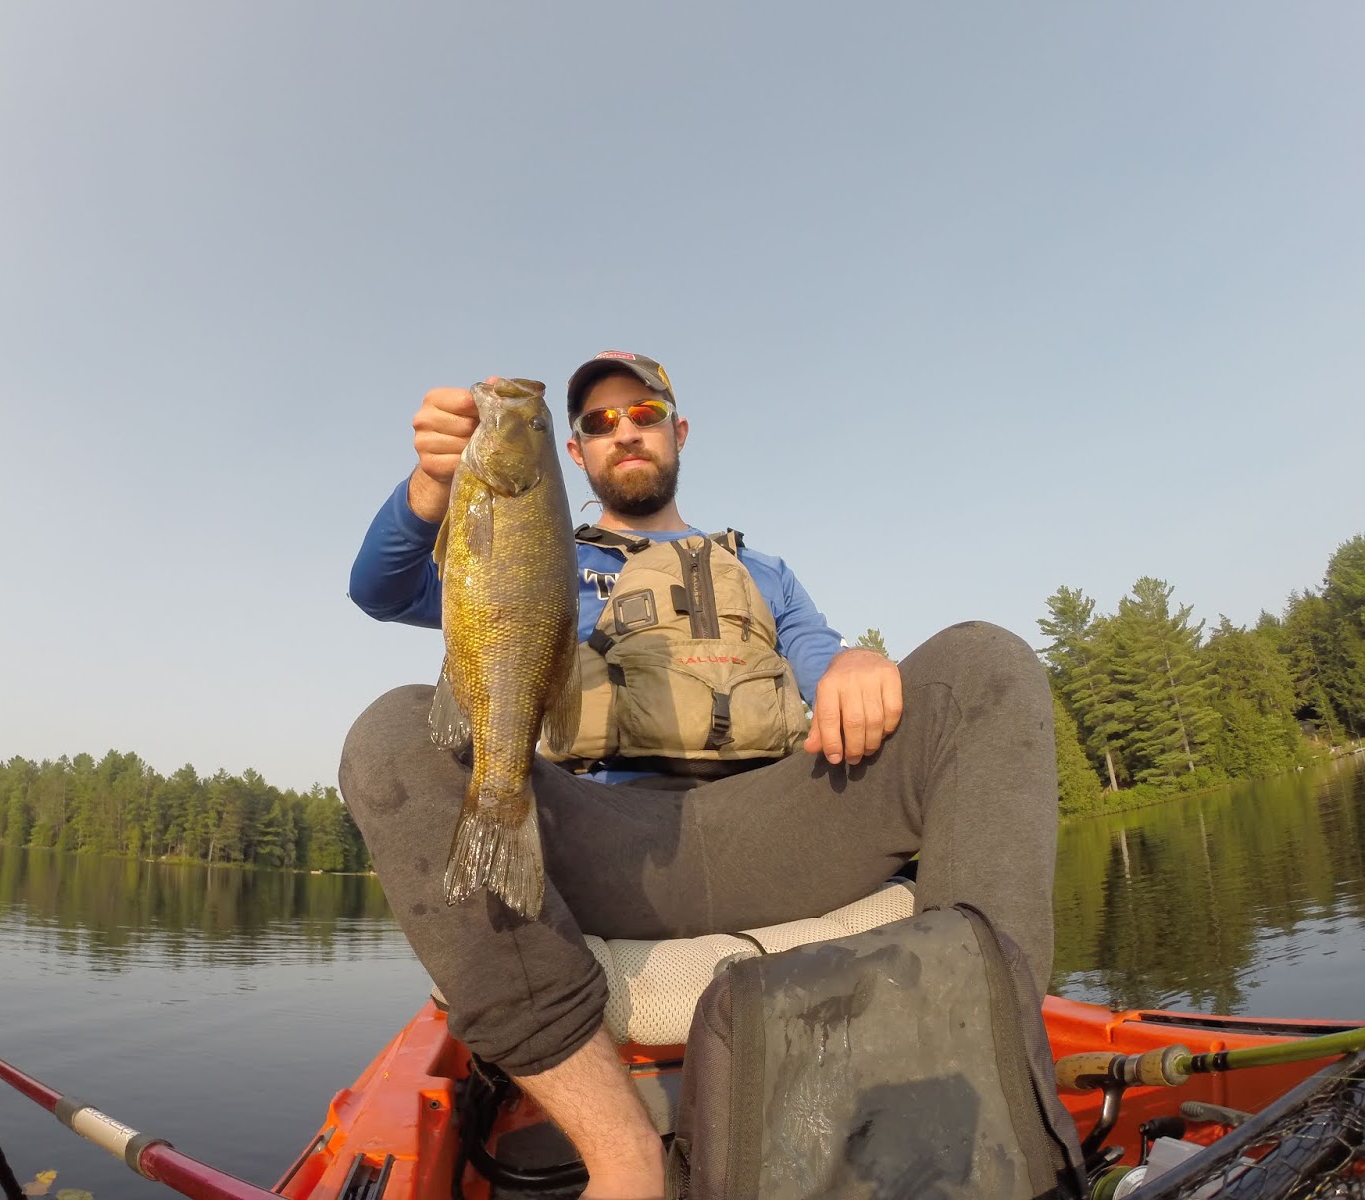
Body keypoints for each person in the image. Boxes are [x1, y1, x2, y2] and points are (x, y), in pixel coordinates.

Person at [342, 351, 1059, 1200]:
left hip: (777, 829)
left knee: (985, 662)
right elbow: (381, 589)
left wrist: (861, 663)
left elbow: (827, 671)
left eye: (642, 413)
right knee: (392, 731)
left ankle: (994, 1065)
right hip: (611, 845)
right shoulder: (532, 547)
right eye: (599, 425)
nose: (624, 432)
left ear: (677, 430)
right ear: (573, 456)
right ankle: (622, 1157)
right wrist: (430, 488)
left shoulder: (766, 574)